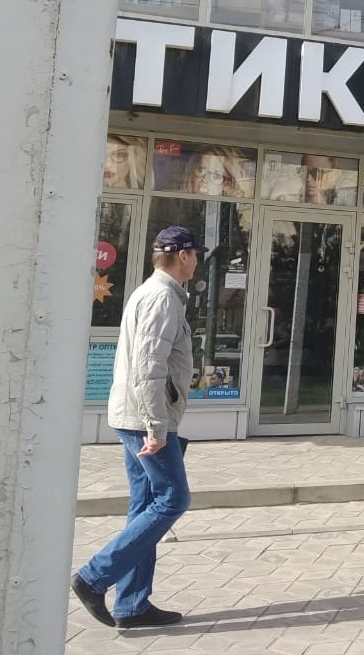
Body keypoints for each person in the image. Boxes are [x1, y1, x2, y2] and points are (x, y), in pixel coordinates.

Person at [71, 226, 206, 630]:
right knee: (173, 499)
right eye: (196, 254)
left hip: (137, 416)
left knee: (145, 504)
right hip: (146, 420)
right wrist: (156, 428)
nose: (198, 261)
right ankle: (94, 577)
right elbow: (149, 368)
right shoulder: (162, 297)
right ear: (182, 255)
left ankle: (132, 605)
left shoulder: (155, 293)